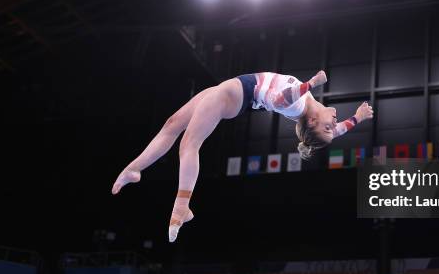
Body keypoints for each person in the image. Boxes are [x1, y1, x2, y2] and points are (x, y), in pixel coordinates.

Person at [111, 70, 374, 242]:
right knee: (172, 124)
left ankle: (182, 206)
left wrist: (311, 83)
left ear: (313, 121)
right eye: (332, 128)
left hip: (233, 95)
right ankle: (133, 170)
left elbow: (279, 97)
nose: (334, 124)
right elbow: (333, 133)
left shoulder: (296, 103)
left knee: (190, 144)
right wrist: (356, 119)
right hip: (230, 91)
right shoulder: (306, 111)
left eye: (327, 128)